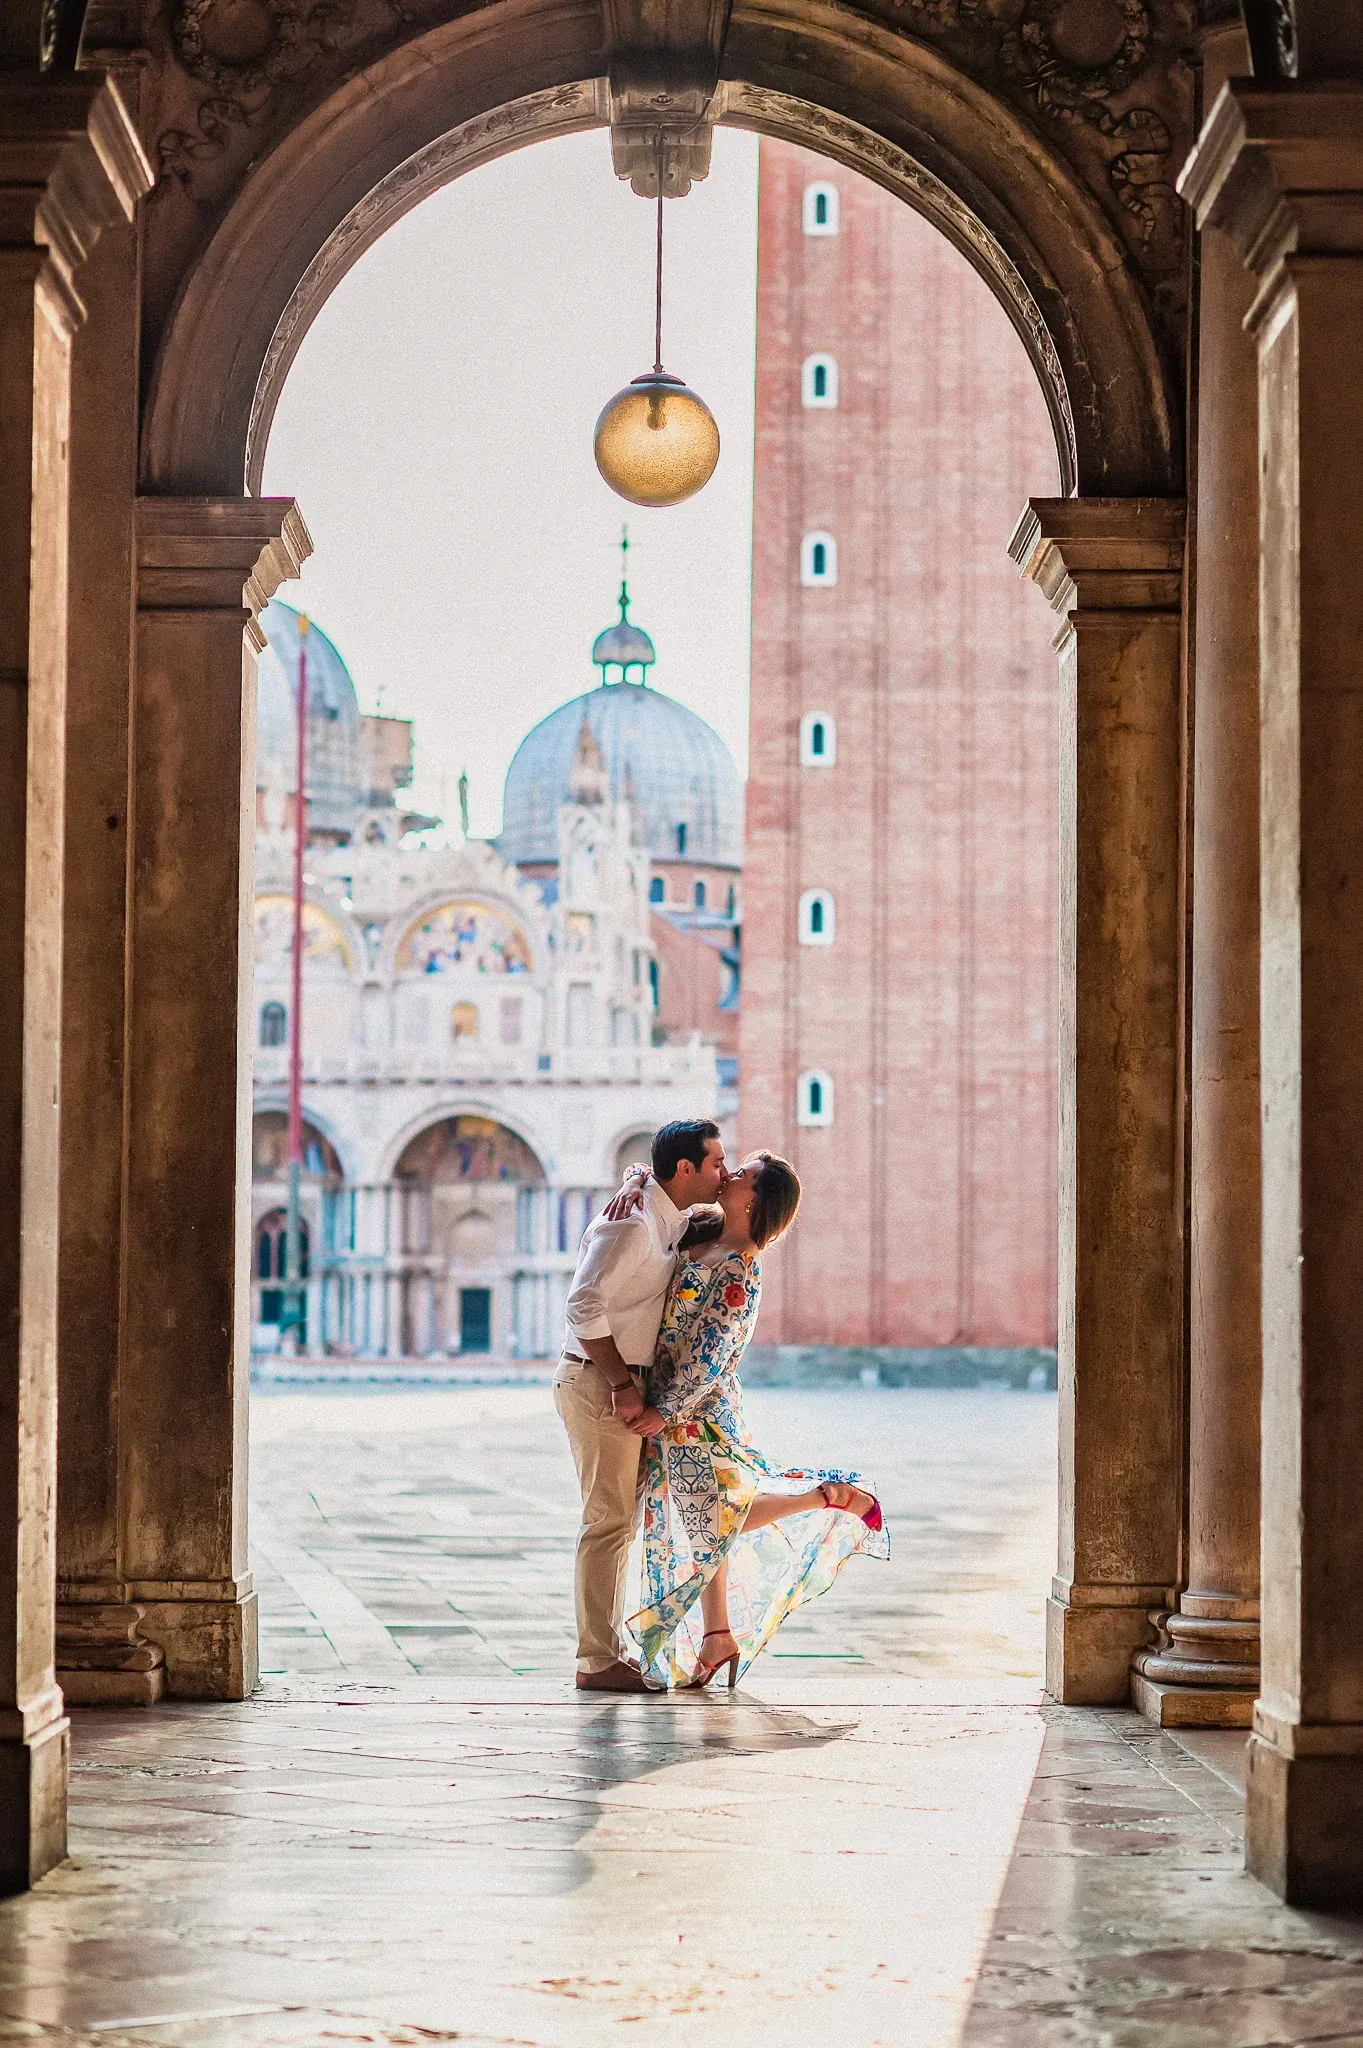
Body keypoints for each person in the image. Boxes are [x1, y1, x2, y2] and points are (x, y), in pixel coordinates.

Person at [621, 1153, 889, 1690]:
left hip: (695, 1412)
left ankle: (821, 1497)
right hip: (677, 1407)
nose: (729, 1175)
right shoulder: (703, 1228)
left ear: (756, 1200)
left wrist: (663, 1411)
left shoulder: (740, 1266)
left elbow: (711, 1354)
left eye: (741, 1174)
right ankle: (718, 1635)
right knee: (709, 1522)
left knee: (713, 1520)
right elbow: (657, 1199)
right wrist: (636, 1182)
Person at [555, 1119, 728, 1692]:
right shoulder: (632, 1225)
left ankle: (605, 1650)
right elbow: (581, 1306)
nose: (722, 1173)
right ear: (685, 1170)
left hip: (618, 1382)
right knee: (606, 1522)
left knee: (618, 1523)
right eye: (715, 1164)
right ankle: (596, 1661)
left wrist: (634, 1174)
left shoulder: (662, 1216)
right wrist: (623, 1386)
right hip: (601, 1383)